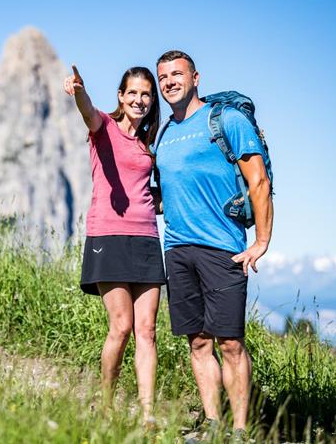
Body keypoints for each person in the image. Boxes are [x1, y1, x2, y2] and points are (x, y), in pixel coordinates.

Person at [154, 50, 273, 438]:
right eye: (163, 77)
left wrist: (262, 240)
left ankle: (240, 431)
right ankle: (213, 424)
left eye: (177, 74)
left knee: (231, 343)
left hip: (223, 248)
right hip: (177, 249)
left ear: (196, 77)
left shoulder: (227, 120)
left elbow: (258, 181)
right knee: (198, 341)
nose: (170, 81)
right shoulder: (165, 133)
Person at [63, 65, 166, 422]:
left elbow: (149, 192)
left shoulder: (148, 144)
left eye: (146, 95)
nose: (139, 100)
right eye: (133, 93)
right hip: (107, 235)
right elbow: (87, 110)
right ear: (121, 96)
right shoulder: (103, 126)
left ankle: (148, 414)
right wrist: (78, 91)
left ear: (152, 102)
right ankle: (106, 406)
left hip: (147, 239)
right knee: (121, 327)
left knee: (147, 330)